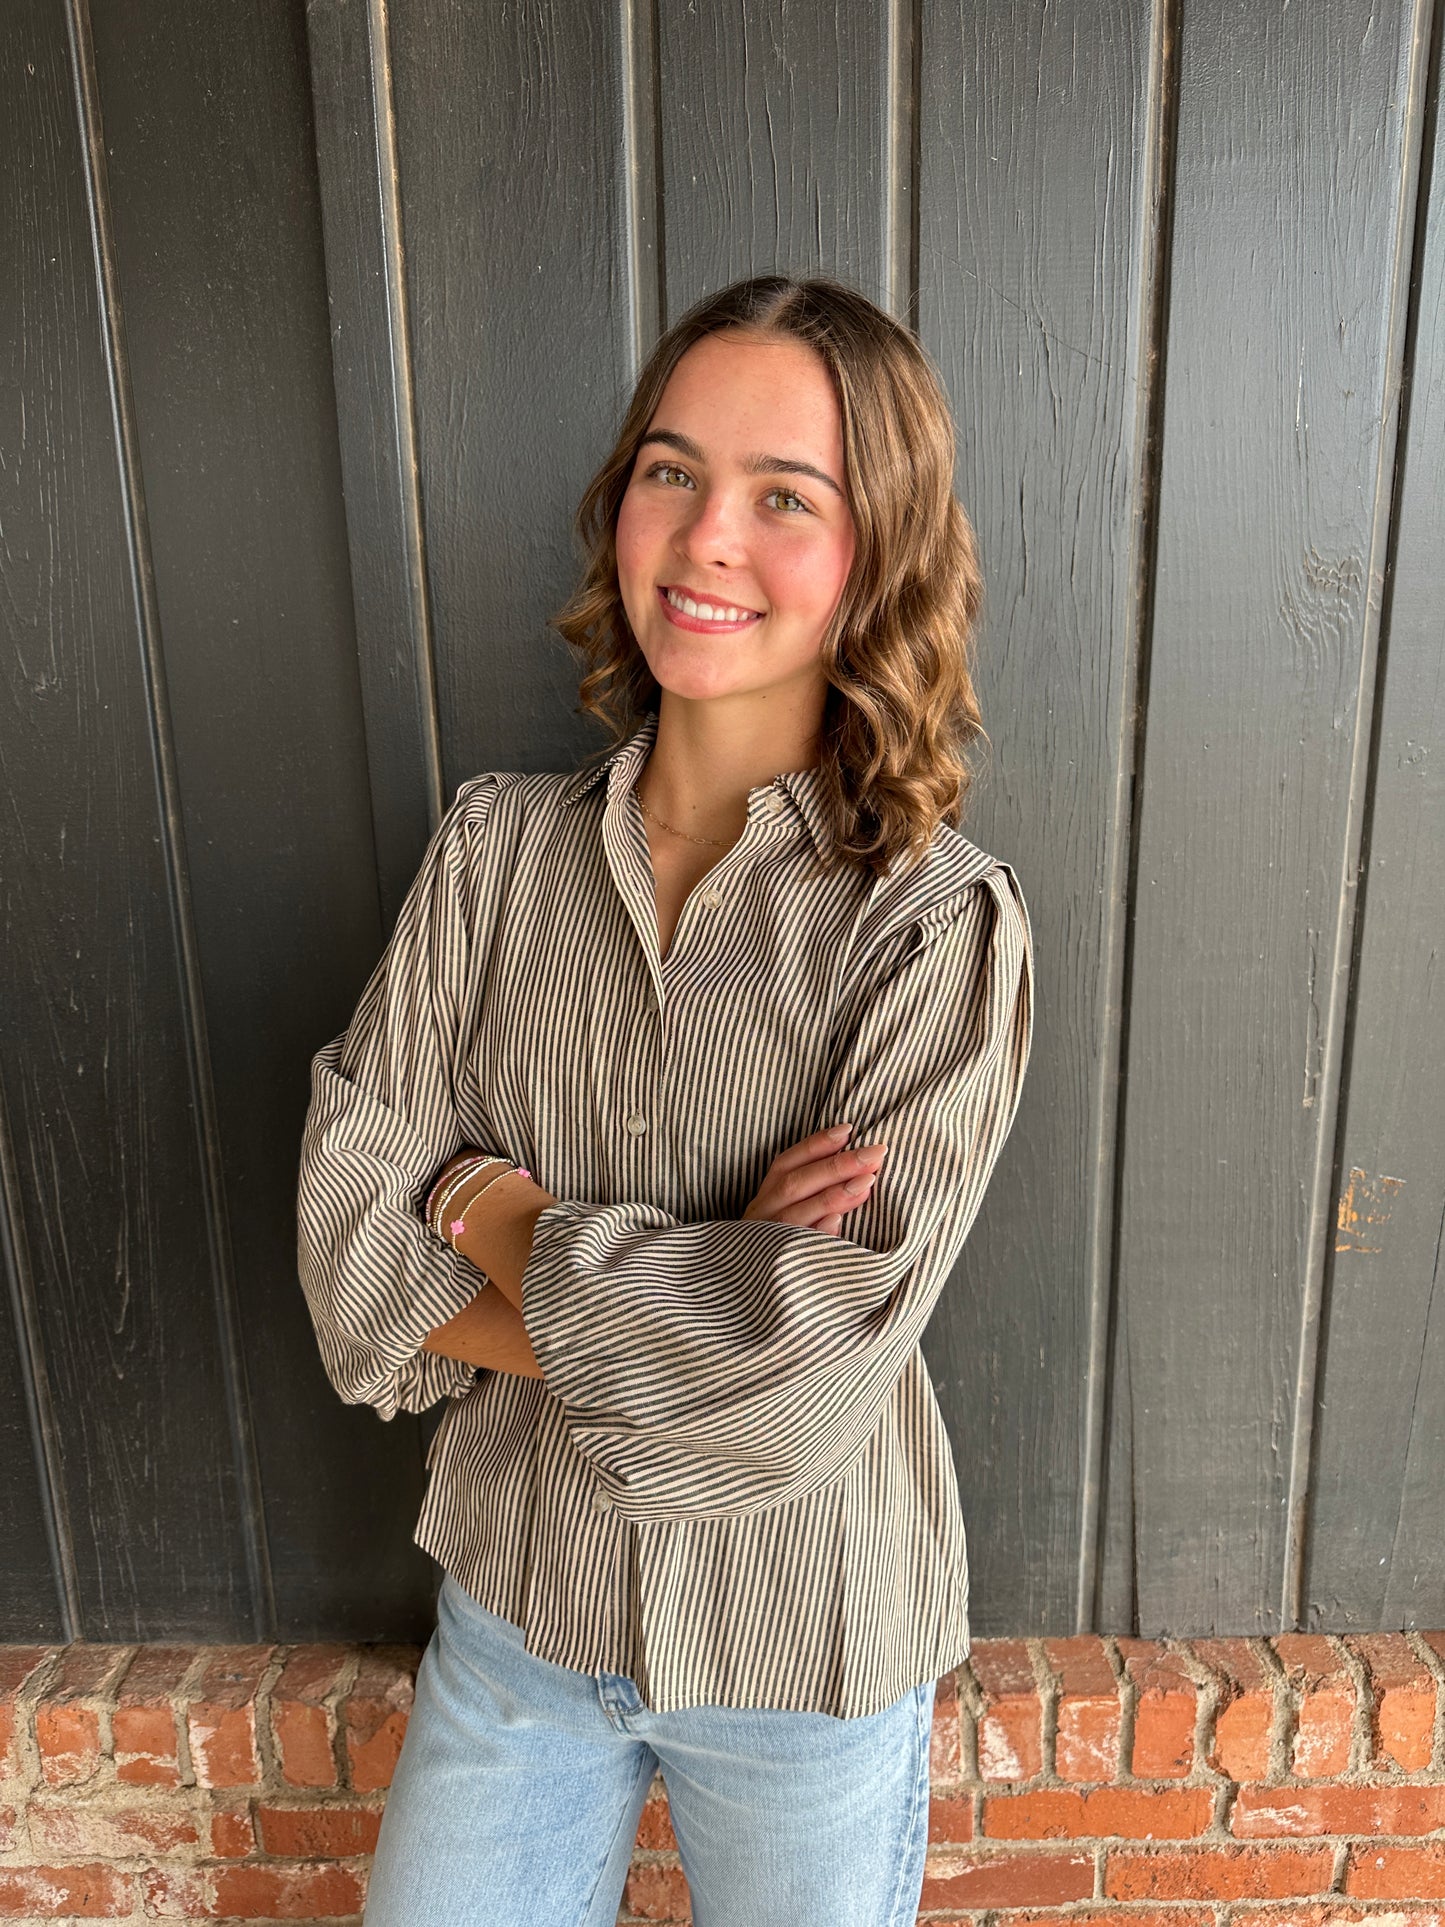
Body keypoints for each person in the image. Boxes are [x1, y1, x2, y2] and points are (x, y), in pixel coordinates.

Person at [296, 273, 1035, 1927]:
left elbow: (788, 1390)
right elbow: (354, 1275)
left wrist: (488, 1211)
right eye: (670, 469)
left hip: (807, 1657)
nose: (707, 536)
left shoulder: (932, 929)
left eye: (787, 497)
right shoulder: (491, 854)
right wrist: (701, 1287)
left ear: (879, 556)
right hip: (520, 1615)